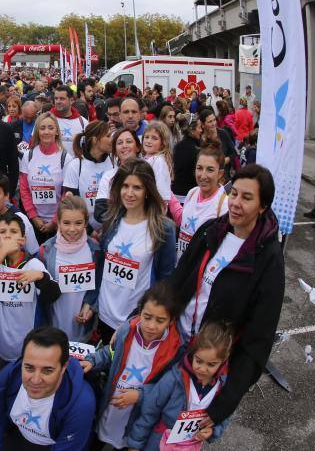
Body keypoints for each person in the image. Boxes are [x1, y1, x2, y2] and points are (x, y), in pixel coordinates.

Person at [167, 164, 284, 427]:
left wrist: (223, 406)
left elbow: (258, 340)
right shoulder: (213, 230)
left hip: (206, 368)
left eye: (247, 197)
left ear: (263, 206)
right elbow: (177, 281)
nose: (236, 203)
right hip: (173, 344)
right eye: (234, 194)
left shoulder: (268, 259)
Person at [82, 283, 183, 451]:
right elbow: (112, 352)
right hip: (111, 404)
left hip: (135, 416)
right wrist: (93, 360)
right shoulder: (127, 331)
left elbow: (167, 389)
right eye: (147, 316)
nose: (151, 325)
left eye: (160, 320)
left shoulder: (174, 351)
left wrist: (140, 395)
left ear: (171, 321)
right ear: (140, 312)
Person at [97, 158, 176, 341]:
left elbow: (165, 279)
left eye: (137, 188)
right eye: (125, 186)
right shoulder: (111, 219)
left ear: (147, 190)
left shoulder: (163, 228)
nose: (130, 193)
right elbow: (102, 265)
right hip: (104, 313)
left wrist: (143, 318)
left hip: (136, 320)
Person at [127, 322, 233, 451]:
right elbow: (149, 411)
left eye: (211, 365)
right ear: (193, 354)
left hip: (191, 444)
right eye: (198, 361)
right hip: (159, 442)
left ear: (223, 362)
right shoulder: (174, 378)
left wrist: (213, 430)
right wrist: (135, 444)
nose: (203, 369)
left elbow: (226, 414)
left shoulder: (224, 387)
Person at [0, 326, 96, 449]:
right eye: (29, 368)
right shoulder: (10, 374)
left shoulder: (82, 404)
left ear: (63, 368)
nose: (35, 380)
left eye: (47, 370)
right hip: (16, 434)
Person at [0, 212, 60, 365]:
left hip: (29, 341)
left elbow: (54, 294)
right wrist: (2, 252)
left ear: (23, 239)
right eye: (2, 232)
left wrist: (41, 277)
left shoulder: (33, 264)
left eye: (13, 232)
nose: (7, 236)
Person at [39, 196, 101, 342]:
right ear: (58, 223)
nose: (72, 229)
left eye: (78, 223)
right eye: (66, 223)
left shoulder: (95, 250)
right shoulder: (46, 250)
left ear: (86, 223)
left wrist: (90, 307)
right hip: (53, 328)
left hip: (84, 330)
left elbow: (98, 286)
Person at [19, 112, 68, 243]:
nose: (46, 132)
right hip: (34, 220)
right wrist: (34, 217)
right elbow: (24, 190)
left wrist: (55, 221)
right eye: (42, 128)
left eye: (51, 128)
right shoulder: (28, 156)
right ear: (37, 132)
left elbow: (67, 194)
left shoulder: (66, 158)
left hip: (59, 222)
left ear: (57, 131)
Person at [176, 146, 228, 262]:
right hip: (181, 267)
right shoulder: (192, 193)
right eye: (199, 168)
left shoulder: (224, 205)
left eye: (210, 170)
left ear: (220, 173)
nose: (203, 175)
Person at [62, 120, 114, 229]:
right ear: (95, 140)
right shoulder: (76, 165)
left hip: (112, 227)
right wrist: (90, 231)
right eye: (108, 136)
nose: (112, 140)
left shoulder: (114, 161)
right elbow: (73, 205)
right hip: (85, 229)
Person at [93, 128, 142, 225]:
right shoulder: (109, 176)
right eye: (119, 143)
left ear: (137, 147)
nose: (124, 146)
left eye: (129, 141)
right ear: (115, 150)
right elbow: (100, 213)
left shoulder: (148, 172)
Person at [172, 113, 203, 204]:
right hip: (189, 195)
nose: (201, 130)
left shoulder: (178, 146)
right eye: (199, 127)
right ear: (191, 130)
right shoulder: (195, 150)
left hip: (177, 193)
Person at [141, 120, 174, 203]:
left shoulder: (158, 161)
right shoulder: (144, 158)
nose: (149, 141)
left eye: (154, 138)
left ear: (163, 143)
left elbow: (162, 194)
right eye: (146, 137)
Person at [51, 85, 87, 157]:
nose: (58, 101)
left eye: (62, 99)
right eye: (56, 98)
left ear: (71, 100)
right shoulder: (46, 120)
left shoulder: (83, 122)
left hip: (75, 167)